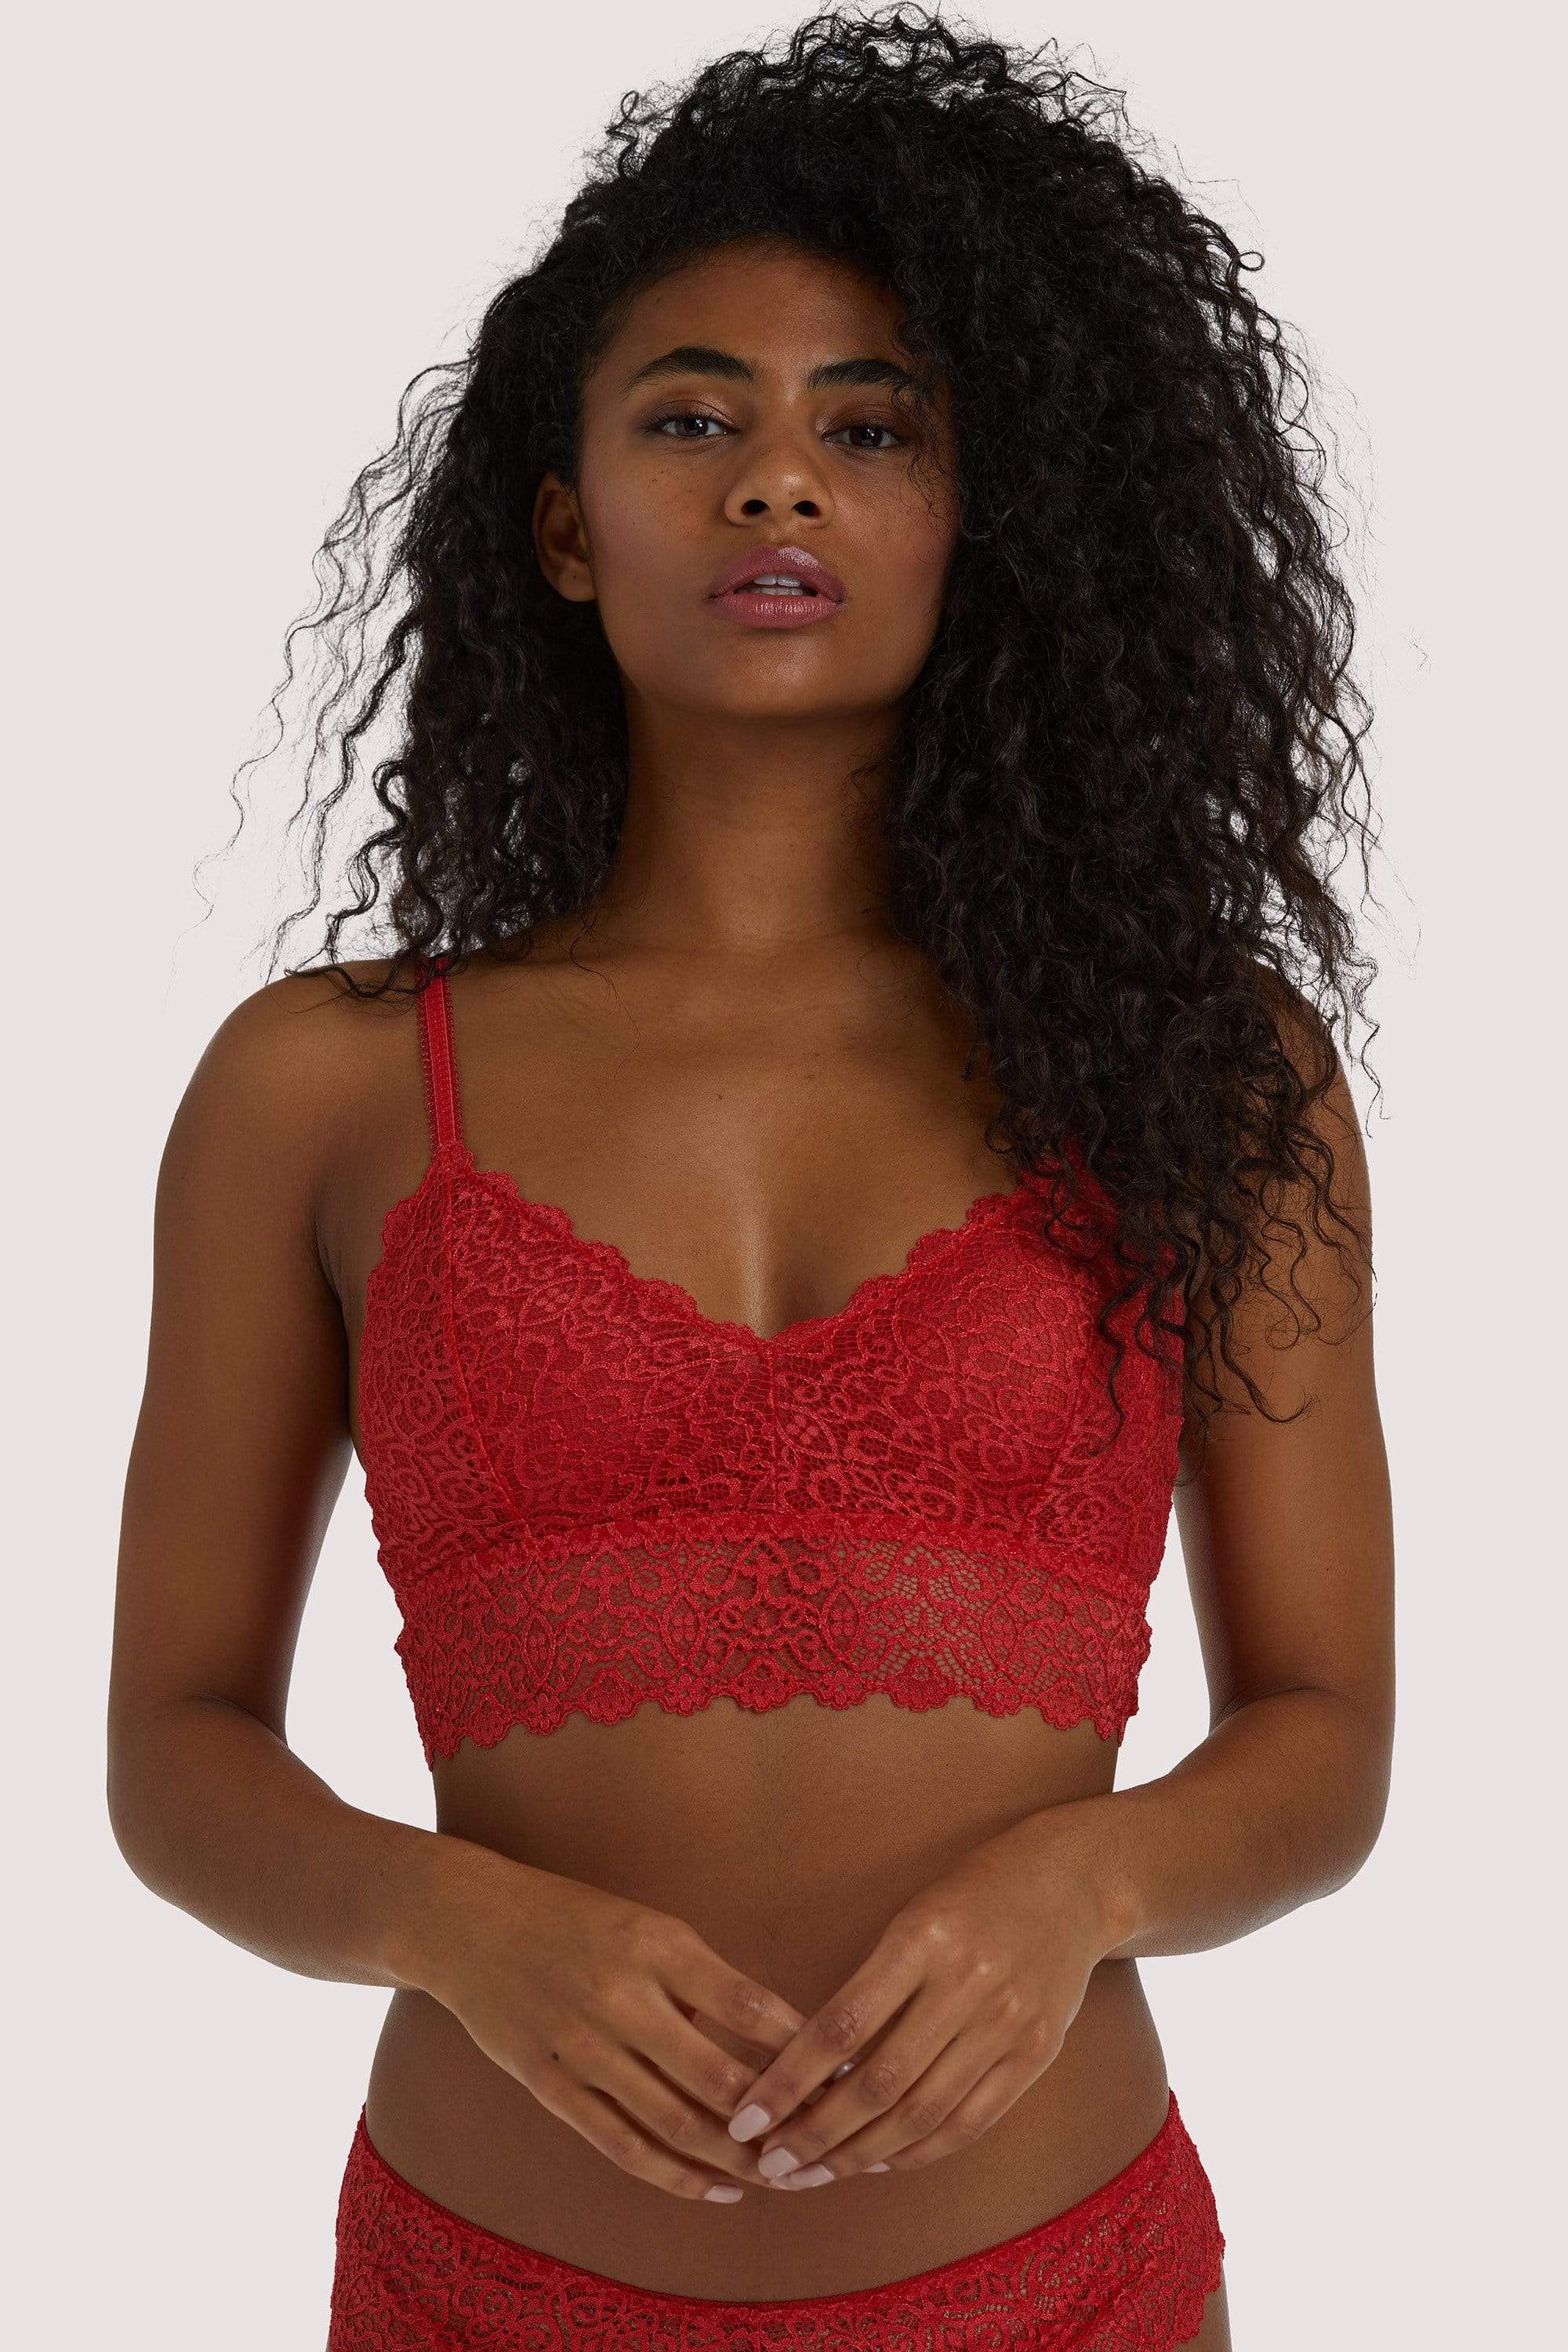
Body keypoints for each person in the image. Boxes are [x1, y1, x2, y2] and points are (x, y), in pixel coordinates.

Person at [106, 10, 1394, 2347]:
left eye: (869, 427)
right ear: (564, 526)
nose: (777, 481)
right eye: (693, 419)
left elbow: (1325, 1733)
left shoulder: (1207, 1066)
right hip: (484, 2290)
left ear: (978, 517)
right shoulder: (326, 1087)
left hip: (1066, 2288)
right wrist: (449, 1921)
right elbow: (175, 1749)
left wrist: (1085, 1885)